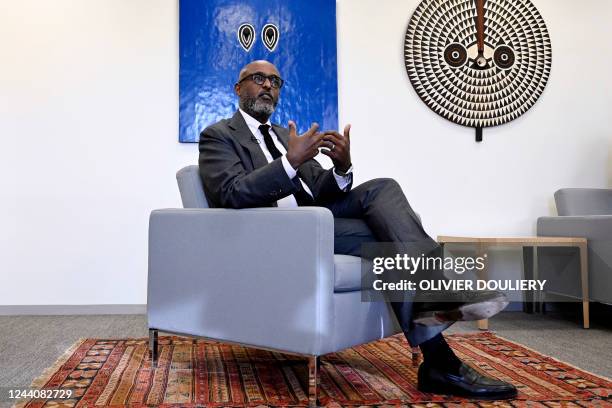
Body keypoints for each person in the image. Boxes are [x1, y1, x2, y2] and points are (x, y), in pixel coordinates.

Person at [198, 60, 517, 400]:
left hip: (320, 221)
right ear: (238, 88)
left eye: (275, 81)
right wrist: (289, 163)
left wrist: (341, 167)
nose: (268, 87)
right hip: (279, 233)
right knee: (388, 242)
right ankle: (441, 357)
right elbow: (231, 193)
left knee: (383, 188)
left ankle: (439, 354)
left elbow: (320, 188)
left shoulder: (283, 135)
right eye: (258, 79)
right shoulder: (218, 136)